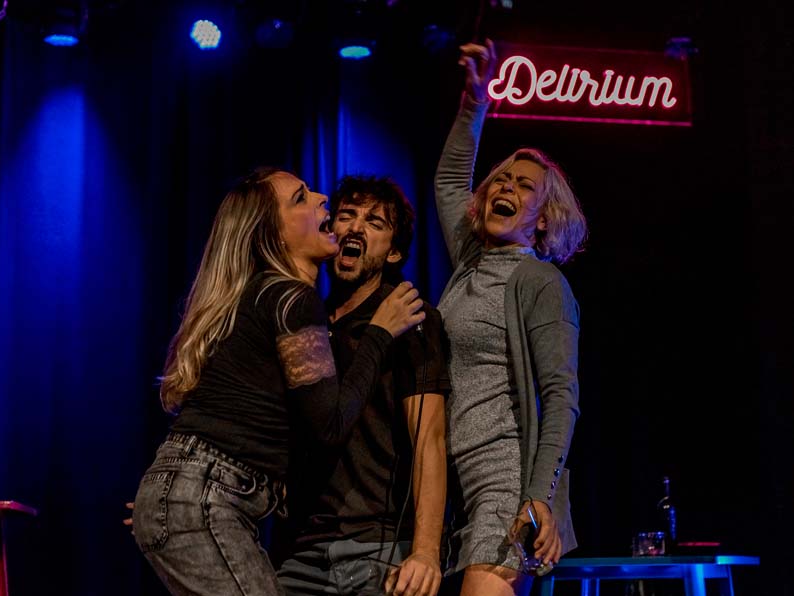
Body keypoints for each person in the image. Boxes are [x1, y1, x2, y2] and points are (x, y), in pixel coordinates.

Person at [131, 167, 426, 596]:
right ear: (275, 232)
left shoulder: (260, 295)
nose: (324, 198)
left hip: (191, 495)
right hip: (204, 498)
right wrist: (379, 334)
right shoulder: (291, 298)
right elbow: (330, 425)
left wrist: (168, 496)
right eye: (302, 198)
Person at [433, 40, 588, 596]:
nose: (506, 187)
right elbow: (451, 182)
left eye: (525, 187)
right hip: (457, 481)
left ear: (542, 221)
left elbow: (560, 395)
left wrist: (538, 496)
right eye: (501, 178)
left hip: (506, 479)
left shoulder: (542, 283)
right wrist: (475, 104)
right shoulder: (471, 264)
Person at [276, 175, 450, 596]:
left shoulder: (408, 316)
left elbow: (430, 438)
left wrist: (425, 551)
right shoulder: (304, 318)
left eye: (375, 222)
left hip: (377, 546)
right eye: (347, 216)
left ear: (393, 252)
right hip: (299, 548)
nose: (355, 227)